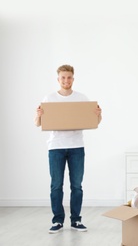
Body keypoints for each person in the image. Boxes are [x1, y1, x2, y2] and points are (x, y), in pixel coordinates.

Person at [34, 64, 102, 234]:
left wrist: (98, 114)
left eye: (69, 77)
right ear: (58, 79)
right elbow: (38, 124)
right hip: (56, 147)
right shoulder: (49, 98)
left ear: (73, 78)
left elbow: (94, 122)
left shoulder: (81, 98)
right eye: (63, 77)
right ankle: (57, 221)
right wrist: (38, 115)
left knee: (77, 186)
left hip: (76, 147)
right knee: (56, 186)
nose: (66, 80)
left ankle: (76, 220)